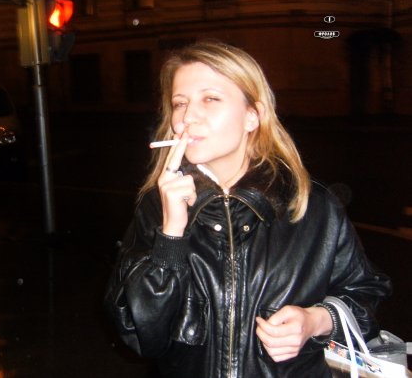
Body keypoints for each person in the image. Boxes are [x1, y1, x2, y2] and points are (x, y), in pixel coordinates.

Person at [104, 41, 391, 377]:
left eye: (210, 99)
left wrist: (316, 320)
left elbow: (366, 295)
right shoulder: (158, 207)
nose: (187, 117)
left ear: (252, 116)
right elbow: (139, 336)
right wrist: (171, 236)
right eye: (180, 103)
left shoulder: (312, 205)